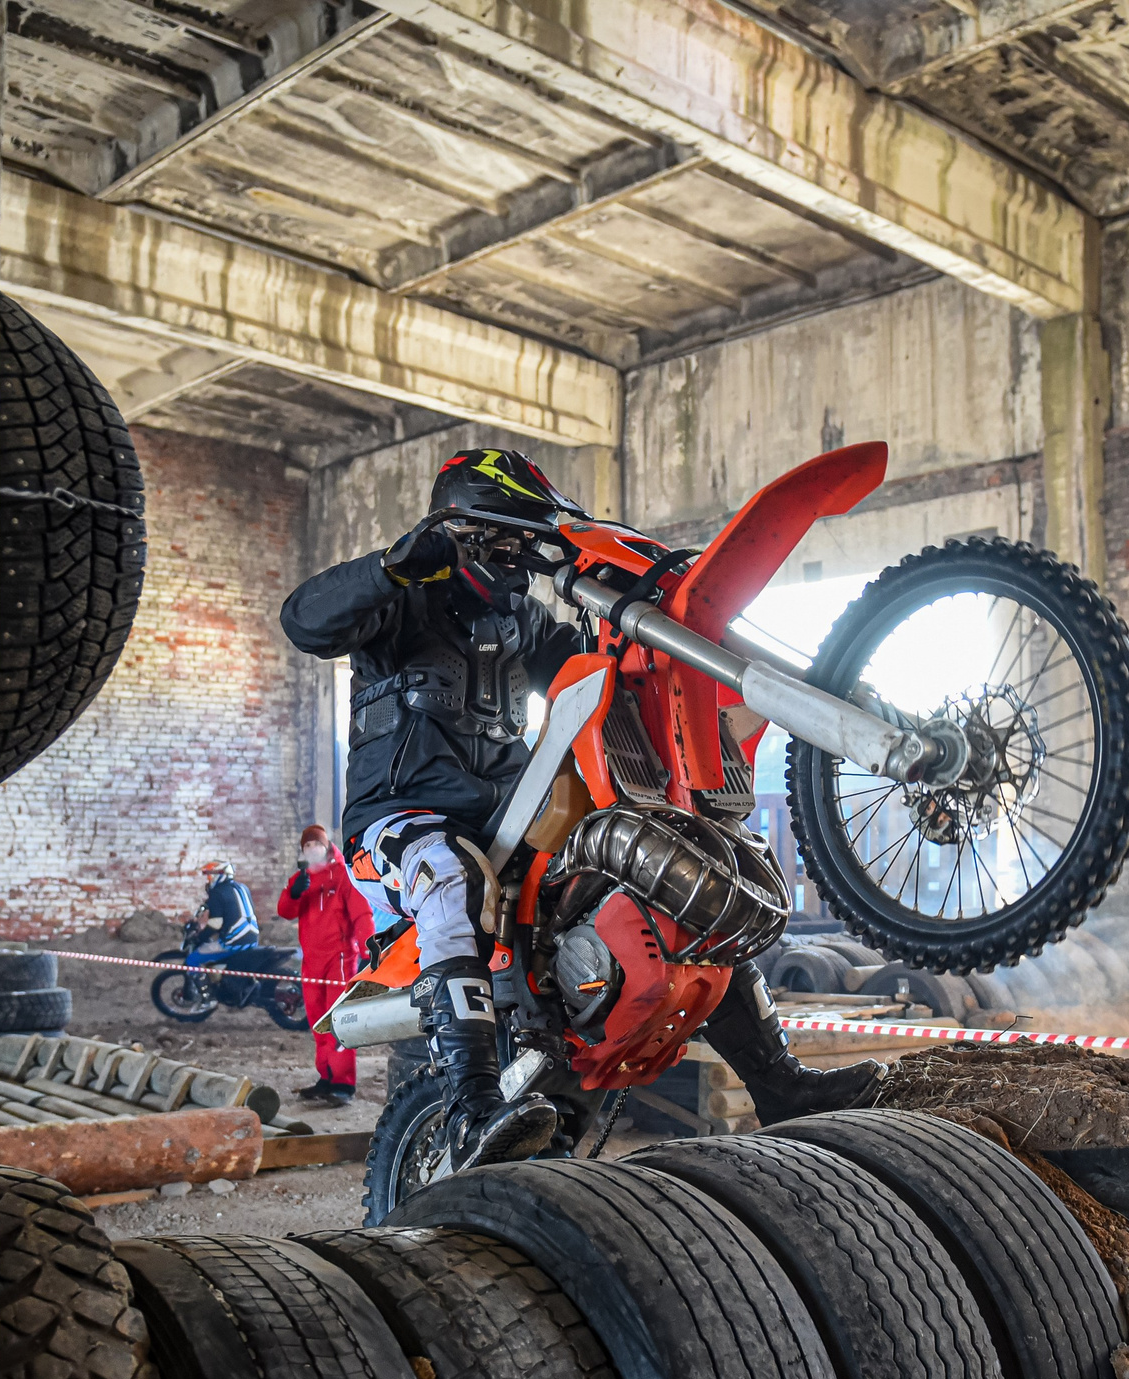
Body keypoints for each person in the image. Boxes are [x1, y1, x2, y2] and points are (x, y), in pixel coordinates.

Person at [280, 447, 877, 1171]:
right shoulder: (398, 604)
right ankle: (471, 1108)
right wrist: (393, 563)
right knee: (446, 878)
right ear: (456, 530)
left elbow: (596, 672)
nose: (515, 557)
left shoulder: (520, 622)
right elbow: (304, 621)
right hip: (401, 821)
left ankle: (779, 1085)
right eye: (501, 539)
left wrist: (653, 632)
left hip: (506, 821)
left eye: (522, 541)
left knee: (661, 888)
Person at [277, 824, 372, 1107]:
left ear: (327, 847)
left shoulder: (343, 876)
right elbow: (285, 911)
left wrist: (369, 948)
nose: (311, 850)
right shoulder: (301, 879)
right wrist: (293, 893)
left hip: (339, 959)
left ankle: (343, 1083)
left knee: (339, 1020)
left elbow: (362, 913)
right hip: (311, 962)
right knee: (318, 1020)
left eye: (316, 845)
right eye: (306, 846)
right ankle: (327, 1077)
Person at [193, 858, 256, 950]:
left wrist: (200, 938)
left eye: (210, 876)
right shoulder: (243, 888)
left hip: (233, 943)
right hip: (253, 941)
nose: (208, 880)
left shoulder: (217, 892)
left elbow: (216, 924)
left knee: (193, 959)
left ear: (218, 875)